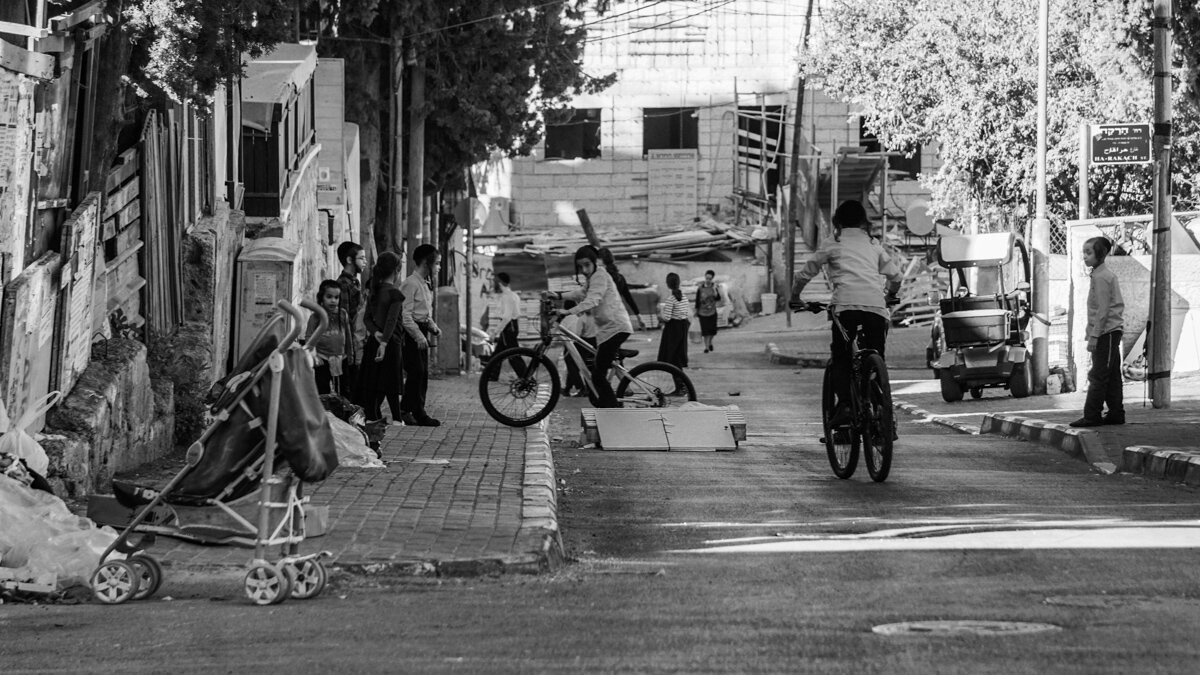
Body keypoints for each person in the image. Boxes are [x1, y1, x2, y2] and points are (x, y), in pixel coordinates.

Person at [792, 199, 903, 428]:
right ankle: (882, 415)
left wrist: (795, 298)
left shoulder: (834, 243)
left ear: (837, 222)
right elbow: (896, 277)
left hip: (846, 308)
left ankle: (845, 406)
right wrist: (889, 296)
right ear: (864, 221)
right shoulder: (873, 244)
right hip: (876, 309)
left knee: (841, 356)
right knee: (875, 358)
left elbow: (804, 274)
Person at [554, 245, 633, 408]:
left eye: (587, 265)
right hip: (607, 331)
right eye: (580, 266)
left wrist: (567, 312)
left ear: (595, 262)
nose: (583, 269)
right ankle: (606, 403)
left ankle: (613, 409)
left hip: (616, 328)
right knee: (598, 371)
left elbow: (592, 300)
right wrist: (558, 295)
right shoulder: (593, 277)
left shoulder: (600, 276)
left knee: (597, 375)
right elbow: (582, 293)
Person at [1070, 236, 1125, 428]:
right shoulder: (1099, 275)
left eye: (1088, 253)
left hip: (1106, 332)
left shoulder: (1102, 277)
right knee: (1111, 375)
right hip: (1107, 331)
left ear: (1100, 254)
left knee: (1098, 375)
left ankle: (1092, 415)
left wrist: (1094, 335)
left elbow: (1103, 310)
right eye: (1083, 253)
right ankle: (1116, 413)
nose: (1084, 257)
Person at [399, 244, 443, 427]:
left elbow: (424, 313)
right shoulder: (410, 283)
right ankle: (415, 411)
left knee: (422, 373)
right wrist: (418, 336)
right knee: (416, 371)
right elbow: (405, 315)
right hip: (411, 333)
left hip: (422, 330)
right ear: (427, 262)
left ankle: (410, 410)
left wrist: (433, 327)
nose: (439, 267)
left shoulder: (425, 283)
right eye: (437, 263)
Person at [361, 251, 405, 425]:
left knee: (374, 380)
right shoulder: (395, 293)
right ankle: (397, 418)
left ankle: (372, 415)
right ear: (397, 271)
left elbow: (366, 318)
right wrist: (385, 341)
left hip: (374, 341)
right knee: (392, 380)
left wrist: (376, 334)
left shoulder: (374, 290)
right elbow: (392, 319)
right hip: (391, 342)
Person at [306, 280, 353, 395]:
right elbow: (309, 338)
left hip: (341, 358)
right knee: (323, 390)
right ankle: (324, 412)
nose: (333, 300)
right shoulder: (316, 317)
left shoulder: (342, 314)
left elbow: (348, 335)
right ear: (321, 297)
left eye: (336, 297)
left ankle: (342, 411)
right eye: (329, 297)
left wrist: (350, 354)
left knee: (343, 390)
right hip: (323, 359)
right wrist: (314, 357)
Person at [336, 241, 367, 401]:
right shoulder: (343, 284)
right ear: (349, 260)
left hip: (357, 341)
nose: (365, 261)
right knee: (350, 388)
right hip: (349, 344)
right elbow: (345, 317)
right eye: (361, 258)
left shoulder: (354, 281)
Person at [598, 247, 646, 331]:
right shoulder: (620, 278)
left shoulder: (603, 277)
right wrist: (639, 316)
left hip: (605, 318)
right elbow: (629, 298)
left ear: (601, 260)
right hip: (619, 317)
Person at [657, 272, 691, 376]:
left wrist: (660, 314)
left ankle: (680, 386)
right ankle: (682, 385)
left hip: (673, 330)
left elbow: (667, 318)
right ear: (679, 283)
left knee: (671, 357)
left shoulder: (671, 299)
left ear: (667, 284)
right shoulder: (684, 298)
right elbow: (686, 313)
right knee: (678, 356)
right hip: (683, 327)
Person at [491, 272, 522, 354]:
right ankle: (492, 366)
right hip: (511, 326)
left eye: (495, 282)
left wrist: (494, 333)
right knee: (498, 353)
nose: (493, 285)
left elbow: (506, 318)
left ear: (500, 283)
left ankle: (523, 367)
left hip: (509, 327)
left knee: (513, 355)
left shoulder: (507, 297)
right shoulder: (513, 295)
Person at [695, 270, 723, 353]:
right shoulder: (700, 288)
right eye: (707, 278)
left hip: (712, 312)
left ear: (712, 279)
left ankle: (710, 342)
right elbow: (697, 301)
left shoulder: (714, 287)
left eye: (710, 279)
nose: (708, 280)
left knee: (712, 331)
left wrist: (715, 290)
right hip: (702, 313)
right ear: (705, 277)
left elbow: (718, 298)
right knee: (705, 331)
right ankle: (706, 347)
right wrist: (696, 311)